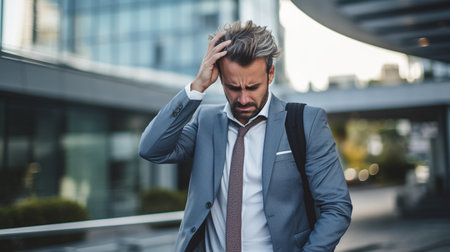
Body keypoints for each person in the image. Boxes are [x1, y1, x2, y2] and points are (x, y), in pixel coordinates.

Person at [139, 20, 352, 252]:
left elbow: (336, 207)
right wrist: (197, 86)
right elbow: (152, 149)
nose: (242, 99)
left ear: (270, 74)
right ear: (219, 77)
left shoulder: (305, 122)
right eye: (232, 87)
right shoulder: (206, 122)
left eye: (252, 87)